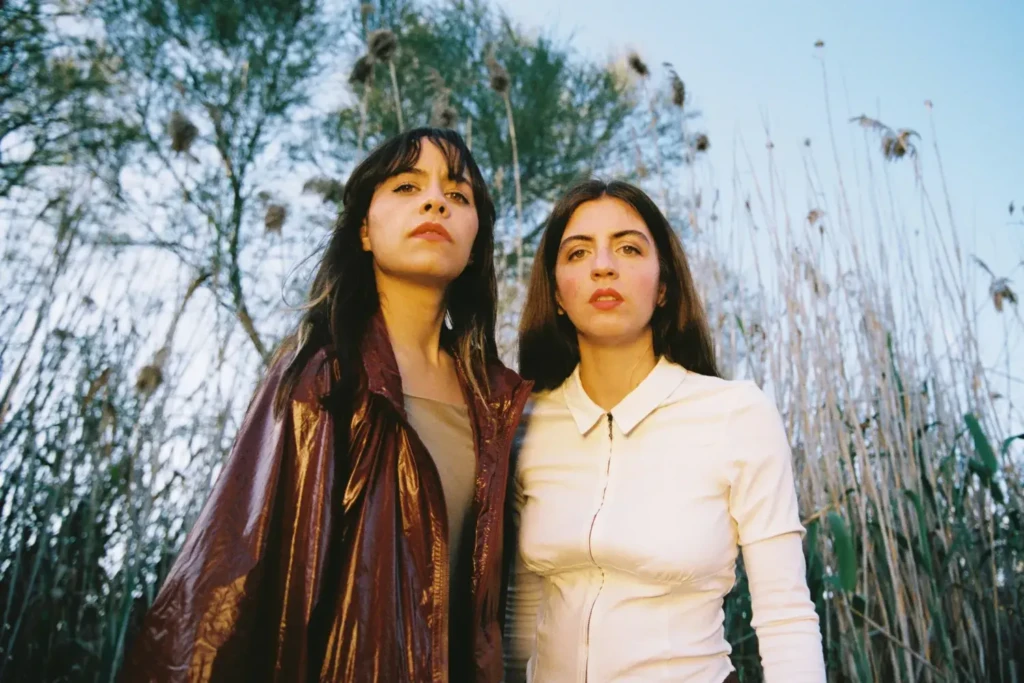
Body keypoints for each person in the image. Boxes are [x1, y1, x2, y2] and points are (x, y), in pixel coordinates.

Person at [121, 128, 533, 683]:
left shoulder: (500, 403)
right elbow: (233, 586)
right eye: (407, 187)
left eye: (458, 195)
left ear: (477, 240)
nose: (436, 202)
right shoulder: (322, 380)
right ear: (364, 230)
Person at [504, 179, 825, 682]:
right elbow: (524, 614)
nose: (603, 266)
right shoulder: (528, 422)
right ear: (557, 294)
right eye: (578, 252)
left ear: (663, 288)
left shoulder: (735, 414)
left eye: (628, 248)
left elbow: (785, 616)